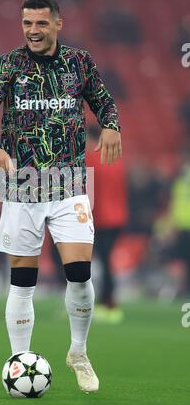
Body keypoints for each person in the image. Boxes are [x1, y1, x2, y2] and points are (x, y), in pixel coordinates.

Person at [0, 0, 121, 393]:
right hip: (21, 187)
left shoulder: (80, 63)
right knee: (22, 281)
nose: (32, 31)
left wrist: (112, 125)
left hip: (69, 184)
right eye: (26, 24)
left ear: (57, 24)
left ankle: (79, 352)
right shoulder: (9, 65)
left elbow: (104, 103)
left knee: (80, 273)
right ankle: (20, 360)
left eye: (40, 23)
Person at [86, 125, 128, 323]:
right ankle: (107, 301)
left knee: (82, 259)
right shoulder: (115, 159)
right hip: (117, 217)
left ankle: (102, 302)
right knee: (105, 260)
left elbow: (89, 191)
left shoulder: (91, 159)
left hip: (99, 218)